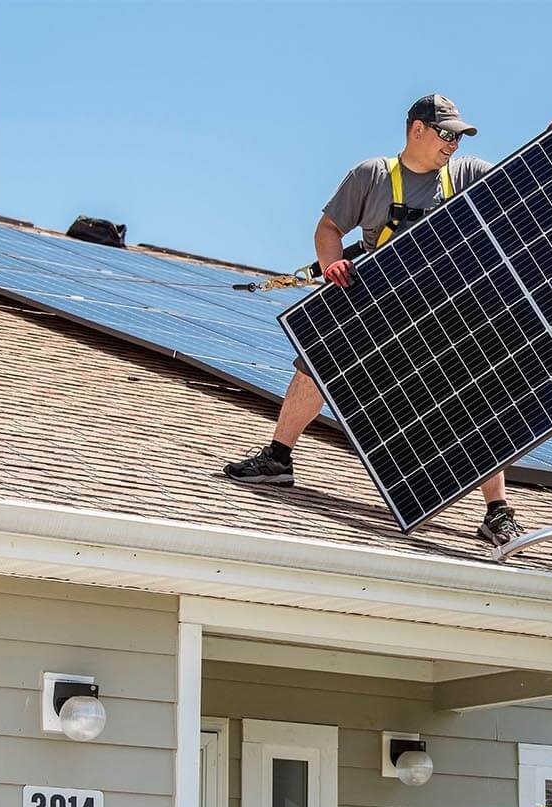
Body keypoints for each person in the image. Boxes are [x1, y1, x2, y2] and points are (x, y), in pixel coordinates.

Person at [224, 94, 525, 546]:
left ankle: (497, 510)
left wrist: (550, 144)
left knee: (476, 394)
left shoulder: (466, 174)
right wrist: (331, 266)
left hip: (445, 305)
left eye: (459, 137)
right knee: (314, 364)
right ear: (417, 130)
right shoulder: (371, 176)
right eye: (446, 134)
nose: (453, 144)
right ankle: (278, 458)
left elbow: (521, 187)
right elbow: (328, 231)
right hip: (377, 302)